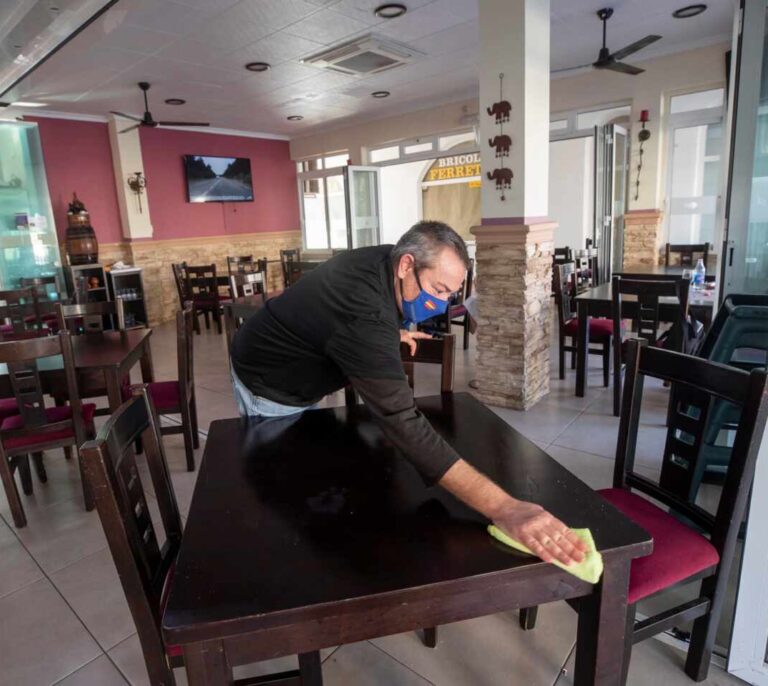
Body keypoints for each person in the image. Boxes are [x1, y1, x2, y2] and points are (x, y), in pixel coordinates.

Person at [230, 221, 586, 566]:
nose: (442, 305)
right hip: (271, 384)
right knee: (288, 488)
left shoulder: (387, 263)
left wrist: (390, 334)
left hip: (305, 358)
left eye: (450, 293)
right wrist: (505, 508)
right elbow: (402, 421)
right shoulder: (363, 312)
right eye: (439, 289)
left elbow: (348, 319)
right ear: (406, 265)